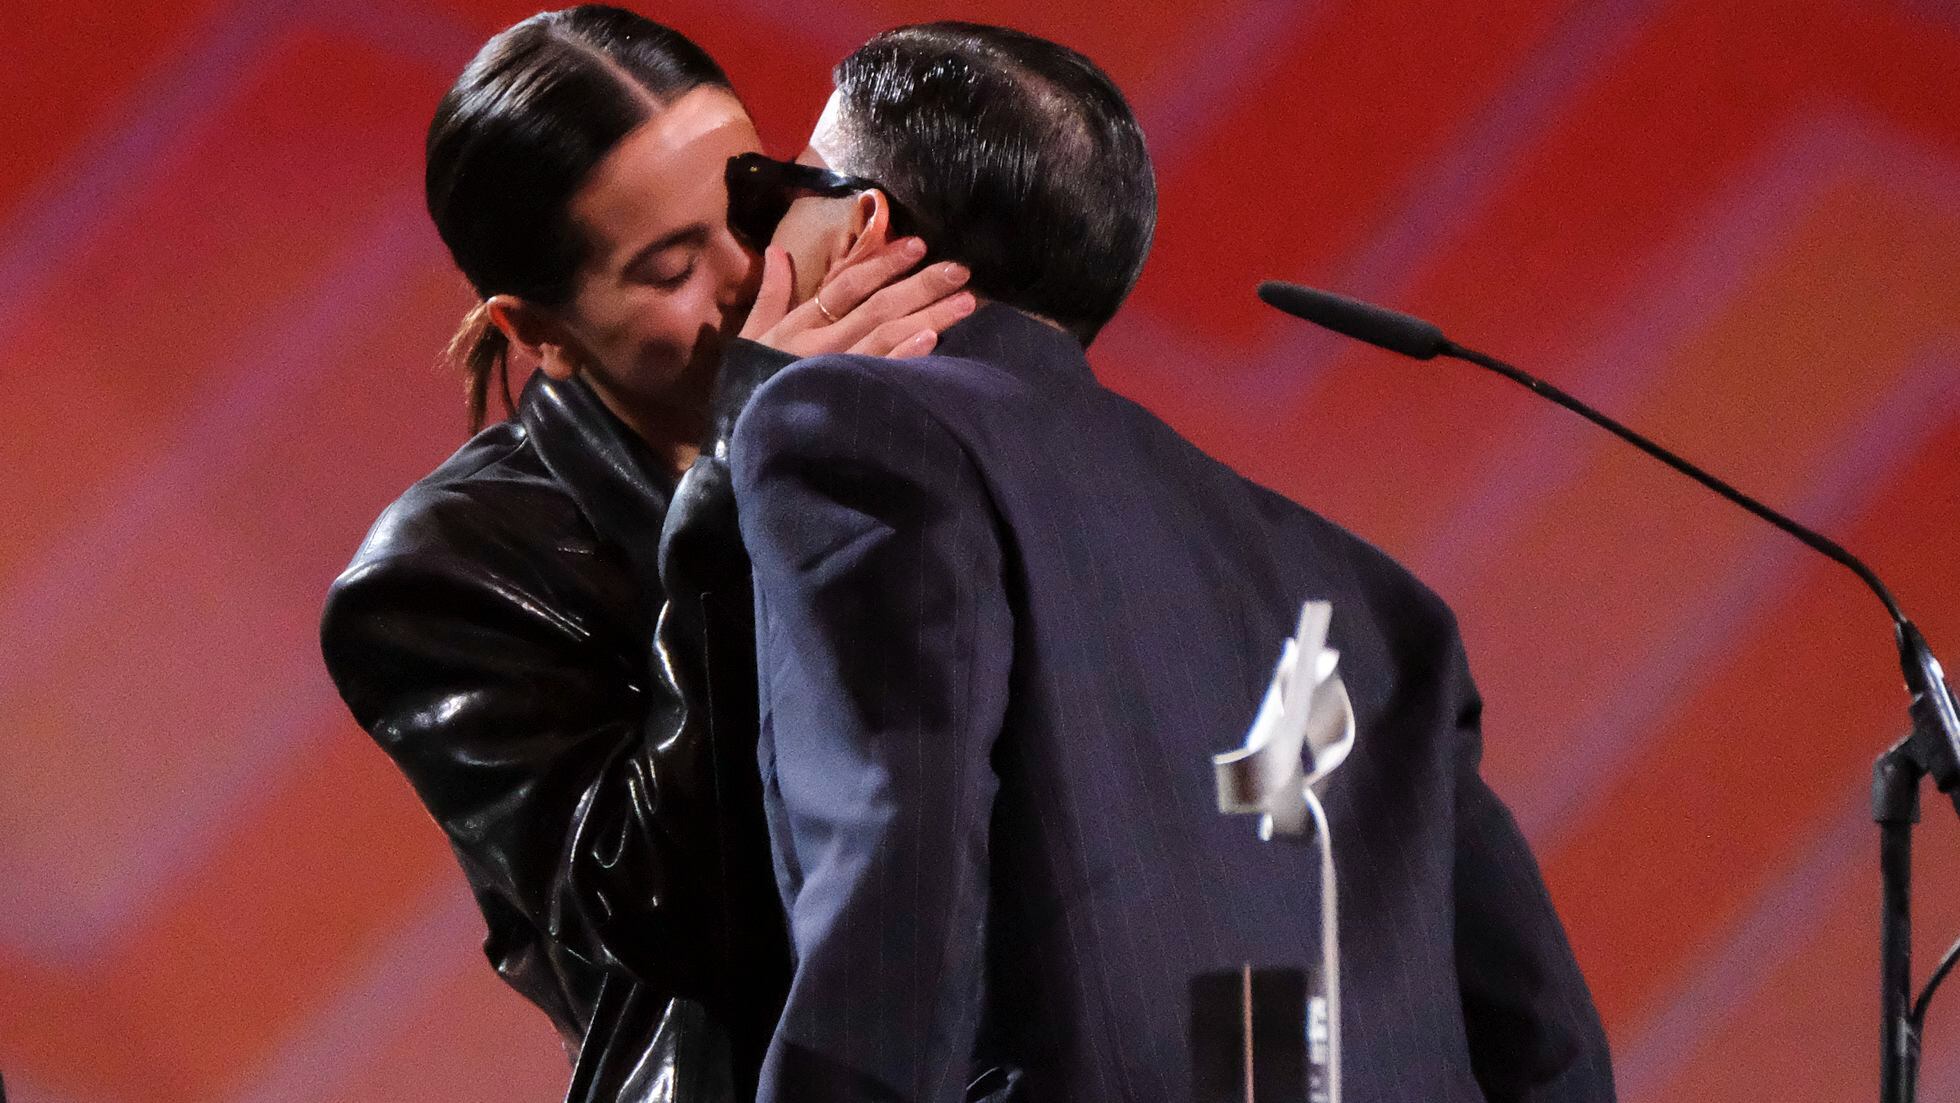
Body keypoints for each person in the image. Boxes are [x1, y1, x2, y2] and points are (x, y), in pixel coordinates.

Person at [707, 22, 1617, 1102]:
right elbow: (1549, 1044)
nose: (749, 252)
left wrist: (732, 431)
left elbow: (896, 878)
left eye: (777, 194)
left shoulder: (848, 427)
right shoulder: (1375, 598)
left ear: (862, 224)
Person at [317, 7, 974, 1102]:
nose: (749, 276)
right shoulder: (437, 577)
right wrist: (743, 494)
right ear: (539, 332)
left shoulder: (889, 402)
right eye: (671, 267)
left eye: (753, 207)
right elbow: (668, 904)